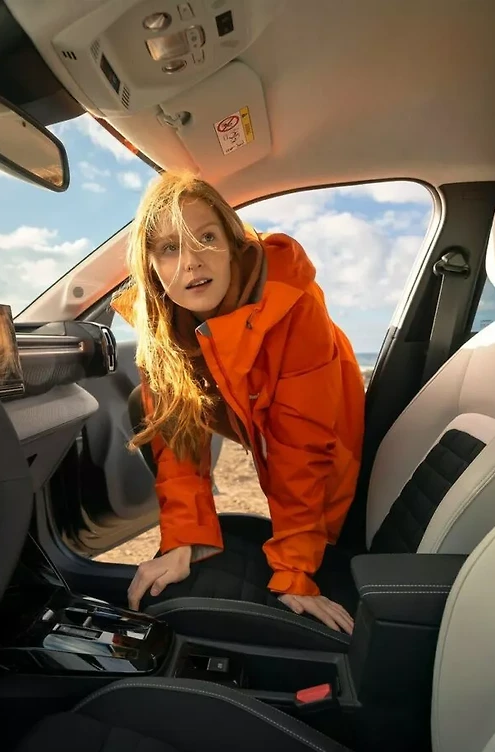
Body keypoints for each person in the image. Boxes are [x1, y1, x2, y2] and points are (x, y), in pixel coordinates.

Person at [111, 173, 366, 633]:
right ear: (150, 265)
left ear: (233, 244)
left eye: (207, 238)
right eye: (169, 248)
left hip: (330, 427)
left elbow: (302, 447)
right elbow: (176, 439)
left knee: (328, 513)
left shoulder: (294, 305)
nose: (191, 261)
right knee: (149, 406)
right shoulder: (161, 325)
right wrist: (184, 541)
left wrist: (294, 573)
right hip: (264, 412)